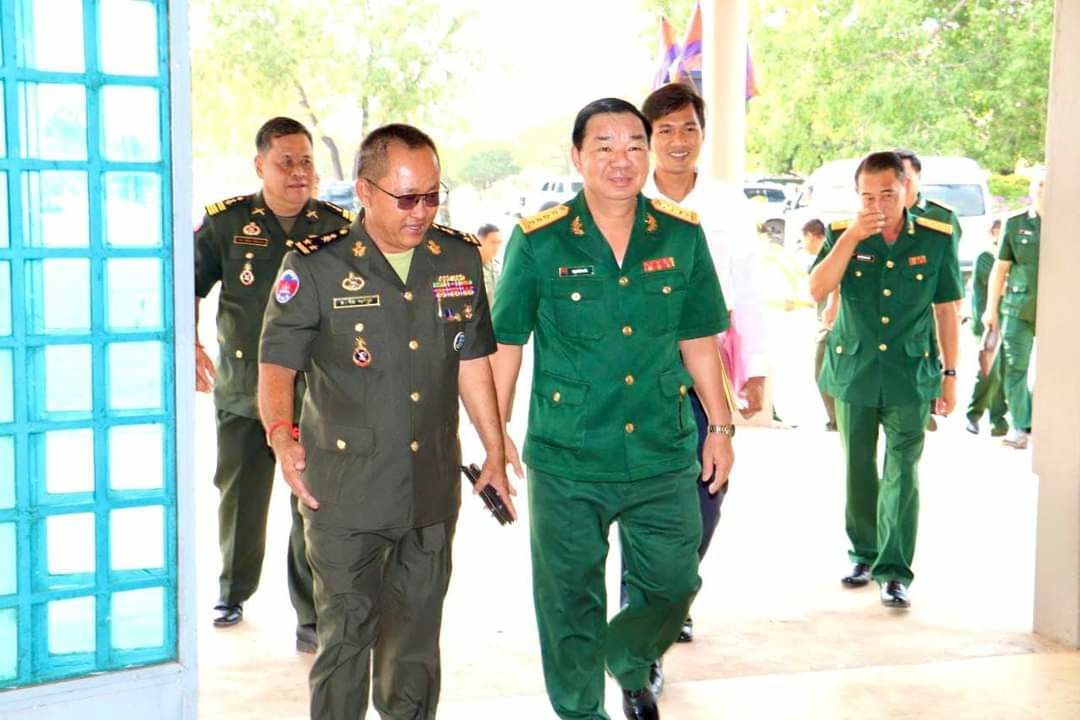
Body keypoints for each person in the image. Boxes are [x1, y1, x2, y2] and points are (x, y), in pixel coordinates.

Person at [258, 123, 515, 719]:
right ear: (365, 191)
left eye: (432, 196)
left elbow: (471, 361)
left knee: (416, 646)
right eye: (406, 198)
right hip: (344, 493)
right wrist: (280, 436)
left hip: (430, 488)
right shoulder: (315, 267)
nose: (421, 212)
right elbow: (277, 364)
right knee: (346, 639)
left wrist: (496, 450)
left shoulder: (457, 257)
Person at [491, 97, 734, 720]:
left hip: (661, 447)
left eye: (633, 146)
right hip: (568, 455)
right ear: (577, 157)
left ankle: (629, 656)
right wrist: (495, 439)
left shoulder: (681, 234)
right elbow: (507, 344)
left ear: (648, 155)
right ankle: (581, 711)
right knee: (568, 599)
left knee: (675, 582)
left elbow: (699, 339)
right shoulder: (538, 241)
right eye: (604, 147)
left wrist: (720, 426)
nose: (621, 160)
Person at [193, 116, 353, 648]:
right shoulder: (227, 223)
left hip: (315, 396)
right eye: (286, 161)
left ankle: (311, 616)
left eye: (306, 161)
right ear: (260, 165)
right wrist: (189, 343)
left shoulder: (336, 227)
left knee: (311, 502)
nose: (299, 171)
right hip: (244, 391)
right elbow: (185, 282)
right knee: (240, 497)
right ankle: (232, 591)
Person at [630, 82, 767, 693]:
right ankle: (643, 636)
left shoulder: (727, 204)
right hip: (643, 367)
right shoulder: (628, 198)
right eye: (666, 130)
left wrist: (756, 367)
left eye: (689, 128)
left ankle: (672, 591)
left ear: (703, 134)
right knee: (647, 503)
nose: (679, 141)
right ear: (648, 138)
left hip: (710, 365)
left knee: (707, 494)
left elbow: (749, 288)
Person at [810, 151, 962, 610]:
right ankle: (864, 553)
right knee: (858, 466)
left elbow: (946, 310)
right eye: (868, 196)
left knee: (902, 470)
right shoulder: (842, 233)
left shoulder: (935, 237)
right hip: (854, 370)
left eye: (888, 194)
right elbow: (817, 288)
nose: (878, 204)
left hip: (909, 373)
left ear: (906, 191)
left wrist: (950, 376)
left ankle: (894, 571)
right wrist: (851, 238)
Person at [984, 173, 1044, 450]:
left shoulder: (1068, 221)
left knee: (1053, 370)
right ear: (1031, 189)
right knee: (1015, 368)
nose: (1044, 189)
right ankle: (1021, 426)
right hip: (1018, 308)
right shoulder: (1016, 222)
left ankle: (1044, 422)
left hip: (1055, 311)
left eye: (1048, 184)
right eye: (1039, 184)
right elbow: (1000, 269)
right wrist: (990, 309)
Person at [966, 219, 1009, 436]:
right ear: (993, 233)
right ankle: (973, 414)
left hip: (1005, 322)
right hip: (987, 324)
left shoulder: (1007, 259)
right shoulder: (986, 257)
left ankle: (998, 421)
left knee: (1001, 372)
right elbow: (1002, 287)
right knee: (990, 370)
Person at [803, 219, 838, 431]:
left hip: (834, 323)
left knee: (822, 369)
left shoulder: (834, 246)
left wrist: (833, 304)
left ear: (811, 235)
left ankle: (837, 419)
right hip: (829, 321)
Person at [476, 223, 503, 305]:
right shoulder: (470, 267)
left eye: (499, 243)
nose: (497, 247)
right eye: (493, 243)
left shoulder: (498, 267)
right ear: (480, 241)